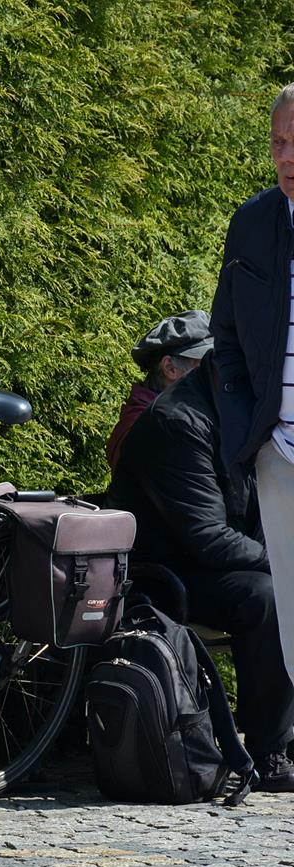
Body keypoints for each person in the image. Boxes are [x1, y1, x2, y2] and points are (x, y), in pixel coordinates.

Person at [108, 346, 294, 788]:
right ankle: (270, 751)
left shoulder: (248, 411)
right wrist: (282, 561)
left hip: (219, 557)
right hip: (165, 571)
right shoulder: (179, 422)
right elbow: (207, 537)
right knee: (267, 597)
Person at [211, 82, 294, 702]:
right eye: (278, 142)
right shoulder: (253, 222)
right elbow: (227, 336)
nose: (287, 157)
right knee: (293, 632)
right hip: (279, 454)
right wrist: (249, 432)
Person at [106, 310, 212, 469]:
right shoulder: (151, 429)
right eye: (206, 364)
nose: (217, 372)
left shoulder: (181, 418)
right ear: (170, 368)